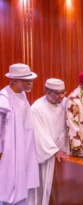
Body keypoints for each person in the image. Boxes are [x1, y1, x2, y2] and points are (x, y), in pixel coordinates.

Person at [0, 64, 39, 205]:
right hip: (12, 152)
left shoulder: (22, 95)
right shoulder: (3, 99)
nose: (31, 83)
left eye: (31, 79)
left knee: (24, 188)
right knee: (11, 190)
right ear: (14, 80)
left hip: (26, 150)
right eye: (26, 80)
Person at [29, 78, 69, 205]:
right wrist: (54, 150)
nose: (61, 96)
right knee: (45, 190)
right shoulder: (37, 108)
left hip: (65, 154)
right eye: (58, 93)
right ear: (47, 92)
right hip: (47, 156)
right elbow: (38, 133)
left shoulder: (66, 103)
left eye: (63, 92)